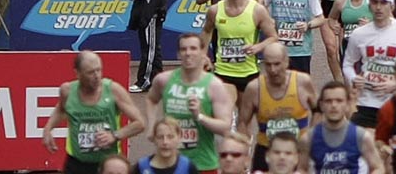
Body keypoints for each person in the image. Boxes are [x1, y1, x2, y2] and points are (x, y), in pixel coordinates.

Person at [44, 49, 148, 172]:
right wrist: (48, 128)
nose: (96, 76)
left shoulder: (113, 90)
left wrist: (114, 135)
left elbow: (140, 123)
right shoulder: (67, 91)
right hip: (76, 162)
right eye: (90, 72)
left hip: (107, 164)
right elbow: (61, 110)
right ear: (78, 73)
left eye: (98, 70)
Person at [150, 34, 237, 174]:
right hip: (171, 163)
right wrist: (151, 127)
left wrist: (199, 116)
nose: (188, 53)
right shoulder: (163, 80)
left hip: (203, 164)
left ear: (203, 53)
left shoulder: (214, 85)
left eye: (193, 48)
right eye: (183, 49)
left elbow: (225, 127)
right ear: (178, 54)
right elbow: (151, 100)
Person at [238, 43, 314, 170]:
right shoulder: (254, 88)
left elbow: (319, 111)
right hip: (265, 152)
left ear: (286, 61)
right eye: (268, 65)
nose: (273, 70)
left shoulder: (302, 82)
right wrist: (242, 153)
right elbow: (242, 123)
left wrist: (311, 138)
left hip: (296, 152)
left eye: (277, 64)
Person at [306, 83, 383, 174]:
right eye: (328, 101)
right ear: (321, 105)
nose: (334, 105)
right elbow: (302, 169)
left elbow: (378, 168)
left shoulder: (362, 137)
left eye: (339, 101)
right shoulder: (308, 138)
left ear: (347, 104)